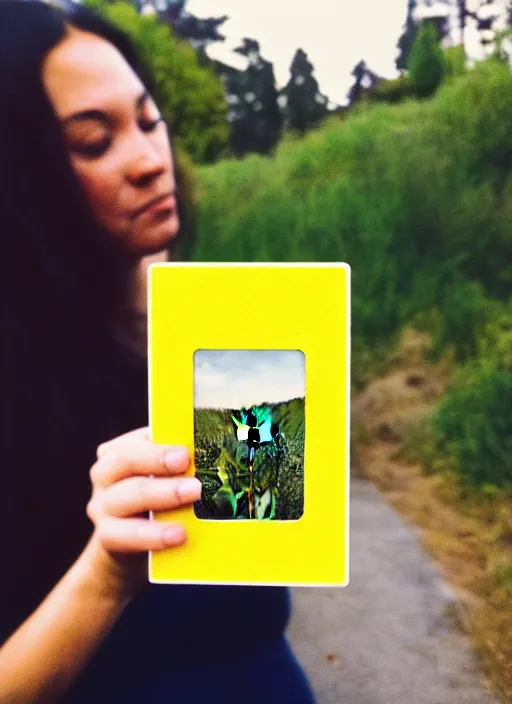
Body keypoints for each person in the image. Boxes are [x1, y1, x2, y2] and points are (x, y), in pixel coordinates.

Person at [0, 1, 316, 702]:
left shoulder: (206, 323)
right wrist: (106, 576)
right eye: (92, 141)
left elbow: (258, 551)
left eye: (148, 120)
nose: (149, 160)